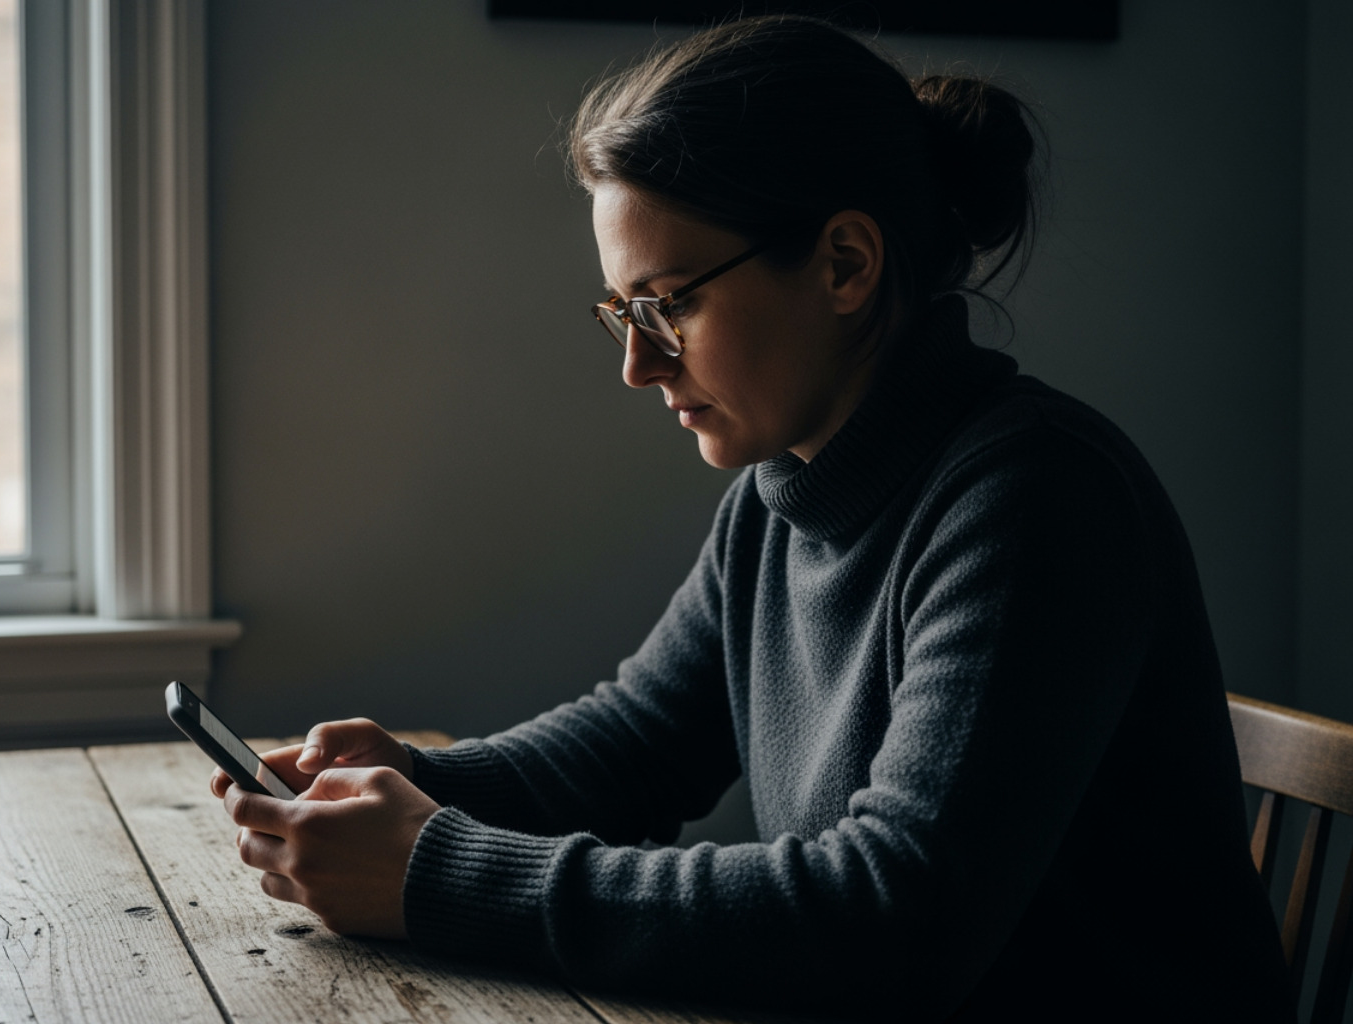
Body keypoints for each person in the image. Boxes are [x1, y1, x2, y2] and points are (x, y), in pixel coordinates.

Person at [211, 15, 1293, 1021]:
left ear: (846, 264)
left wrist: (432, 871)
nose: (636, 365)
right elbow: (638, 746)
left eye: (669, 302)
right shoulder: (775, 502)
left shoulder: (1040, 496)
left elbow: (893, 914)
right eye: (621, 313)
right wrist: (415, 783)